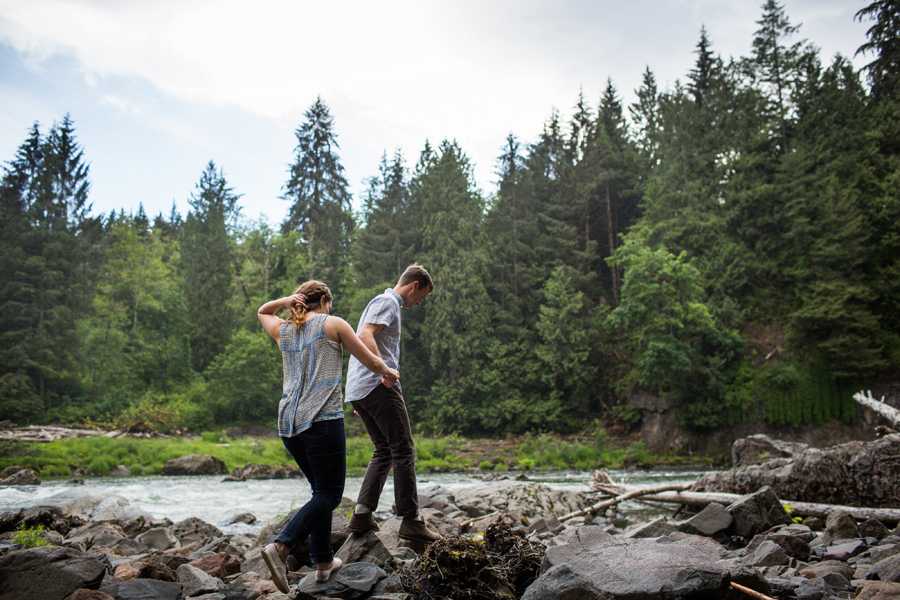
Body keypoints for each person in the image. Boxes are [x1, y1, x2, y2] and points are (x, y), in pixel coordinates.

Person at [257, 280, 399, 592]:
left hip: (289, 426)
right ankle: (281, 547)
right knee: (330, 495)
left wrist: (286, 300)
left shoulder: (284, 330)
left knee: (320, 492)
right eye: (328, 304)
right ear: (323, 300)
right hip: (322, 420)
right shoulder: (332, 324)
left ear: (299, 302)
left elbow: (263, 311)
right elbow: (368, 358)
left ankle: (323, 562)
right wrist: (388, 372)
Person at [344, 263, 441, 543]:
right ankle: (410, 520)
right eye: (422, 297)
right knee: (403, 448)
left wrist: (363, 390)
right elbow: (364, 335)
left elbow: (364, 337)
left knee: (384, 450)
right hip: (376, 385)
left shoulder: (386, 303)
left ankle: (362, 515)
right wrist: (383, 371)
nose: (420, 303)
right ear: (414, 285)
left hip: (362, 388)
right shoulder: (388, 301)